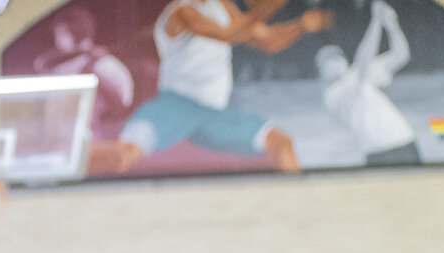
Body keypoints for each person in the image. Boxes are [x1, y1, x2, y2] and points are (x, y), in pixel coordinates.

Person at [89, 0, 332, 175]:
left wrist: (300, 25)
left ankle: (302, 212)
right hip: (175, 105)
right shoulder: (181, 11)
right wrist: (271, 6)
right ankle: (67, 162)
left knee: (282, 142)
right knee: (123, 156)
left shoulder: (223, 7)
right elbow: (227, 34)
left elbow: (268, 41)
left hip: (214, 114)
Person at [318, 0, 423, 168]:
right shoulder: (333, 95)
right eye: (328, 62)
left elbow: (401, 55)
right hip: (380, 153)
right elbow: (363, 59)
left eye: (338, 58)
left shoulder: (359, 79)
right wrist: (376, 21)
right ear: (322, 73)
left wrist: (392, 25)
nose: (335, 63)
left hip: (405, 142)